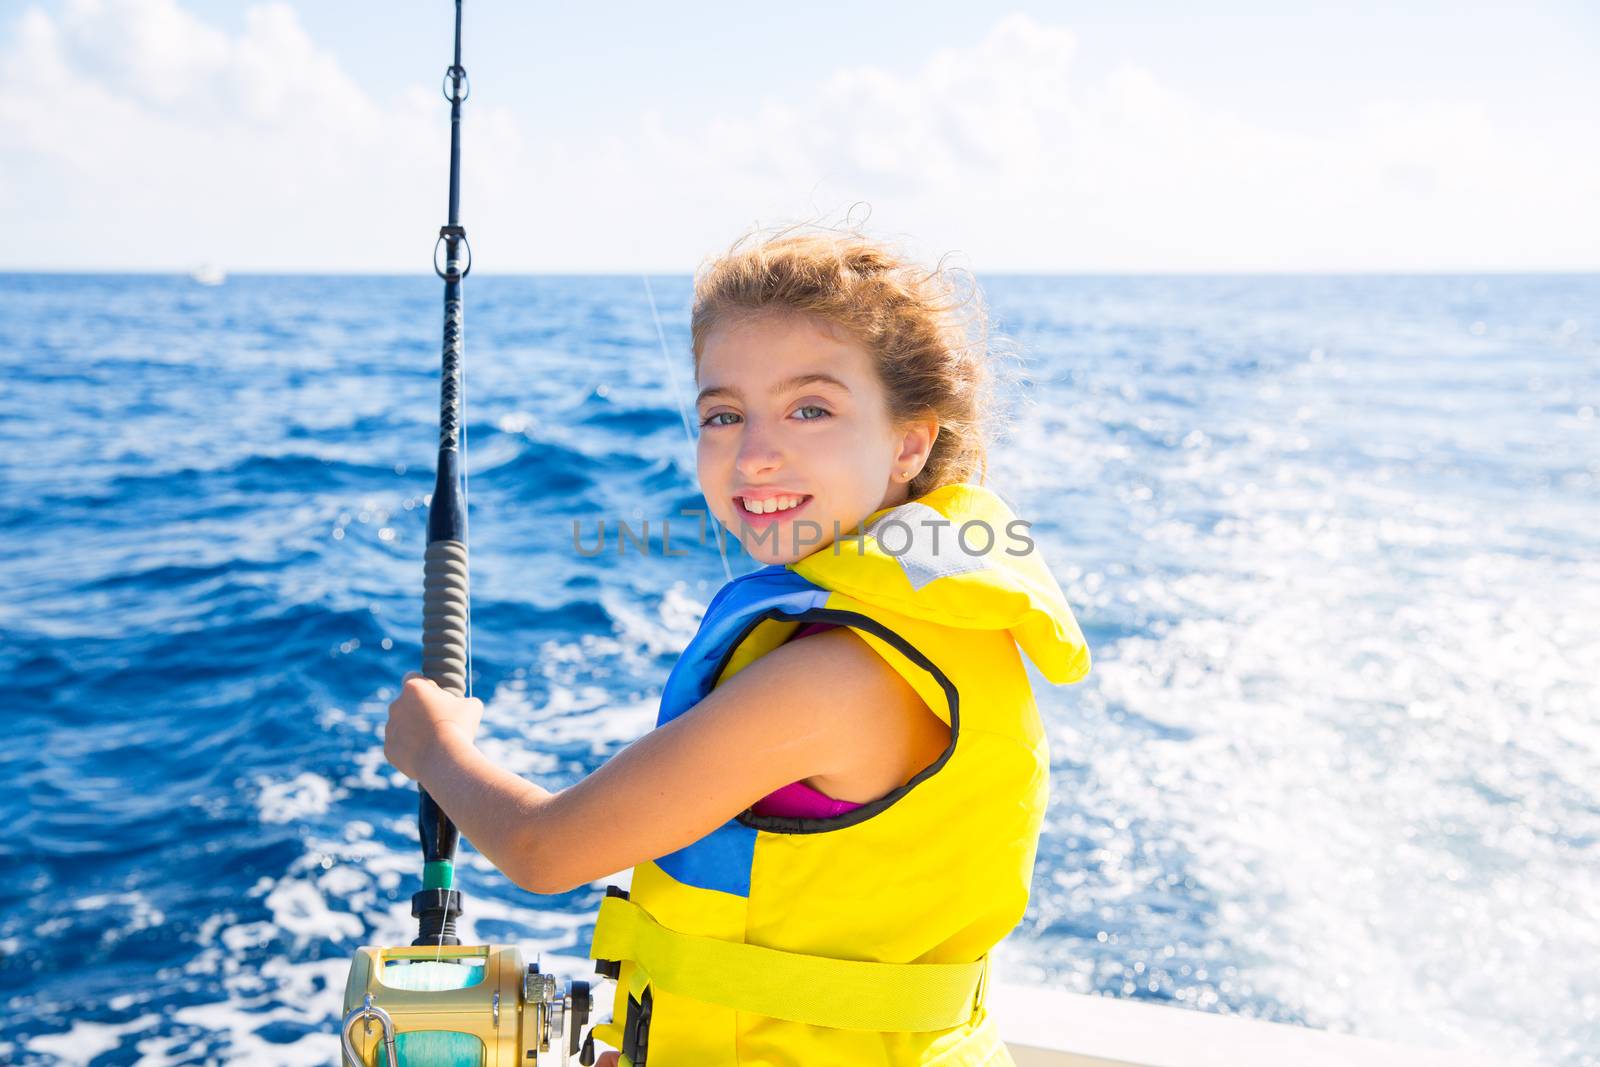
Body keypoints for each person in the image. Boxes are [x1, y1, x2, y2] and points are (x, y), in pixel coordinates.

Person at [383, 226, 1091, 1066]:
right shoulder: (921, 623)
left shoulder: (835, 677)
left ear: (910, 440)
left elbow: (546, 850)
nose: (754, 454)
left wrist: (436, 748)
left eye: (810, 408)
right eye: (724, 413)